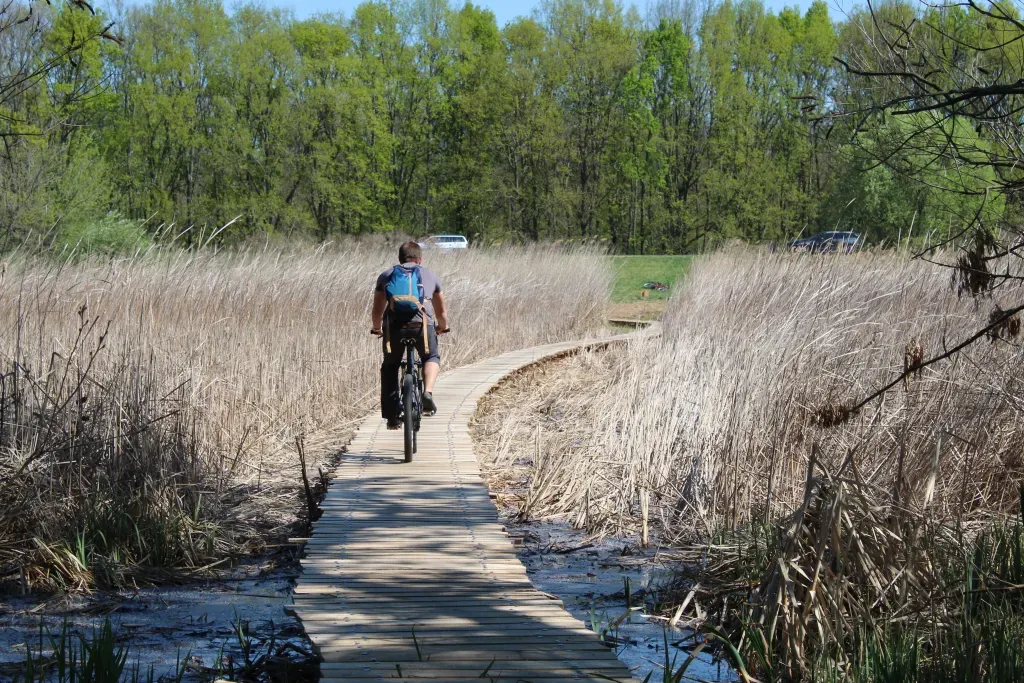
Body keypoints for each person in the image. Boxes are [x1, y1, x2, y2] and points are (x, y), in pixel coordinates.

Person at [371, 241, 449, 429]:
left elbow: (376, 310)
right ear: (420, 259)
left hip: (394, 328)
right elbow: (441, 312)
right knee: (431, 356)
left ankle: (391, 416)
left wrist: (377, 328)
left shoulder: (386, 275)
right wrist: (442, 327)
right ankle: (427, 392)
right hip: (422, 326)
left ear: (400, 258)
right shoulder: (430, 275)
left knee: (390, 366)